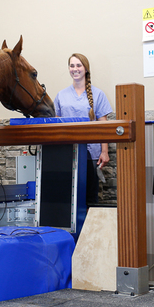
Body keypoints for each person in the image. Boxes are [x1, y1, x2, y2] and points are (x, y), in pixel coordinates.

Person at [54, 53, 113, 205]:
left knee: (90, 197)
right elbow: (54, 125)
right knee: (66, 196)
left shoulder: (98, 95)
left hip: (90, 154)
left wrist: (104, 152)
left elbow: (103, 127)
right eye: (72, 66)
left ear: (86, 69)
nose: (75, 69)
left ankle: (88, 228)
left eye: (78, 65)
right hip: (66, 153)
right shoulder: (61, 96)